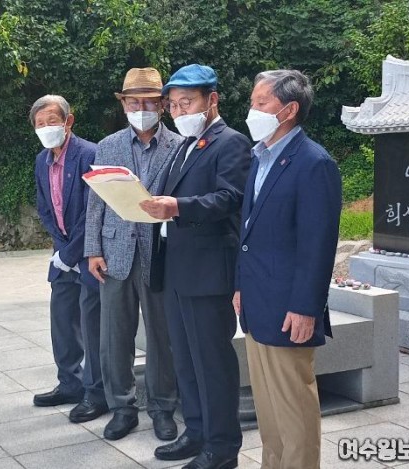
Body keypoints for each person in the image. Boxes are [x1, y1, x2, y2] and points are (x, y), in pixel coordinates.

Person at [140, 64, 250, 469]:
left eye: (187, 102)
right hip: (175, 269)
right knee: (184, 359)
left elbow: (231, 198)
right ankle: (198, 432)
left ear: (212, 101)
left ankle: (222, 449)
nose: (178, 110)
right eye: (173, 105)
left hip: (206, 273)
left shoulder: (230, 143)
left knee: (212, 363)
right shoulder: (183, 146)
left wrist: (177, 207)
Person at [233, 70, 342, 469]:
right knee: (269, 410)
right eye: (253, 101)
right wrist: (239, 284)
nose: (252, 110)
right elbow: (248, 234)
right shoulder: (259, 157)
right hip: (257, 302)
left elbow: (318, 245)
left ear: (289, 110)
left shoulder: (314, 164)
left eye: (261, 103)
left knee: (294, 409)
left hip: (289, 308)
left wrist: (306, 307)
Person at [84, 67, 181, 441]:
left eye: (149, 102)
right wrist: (92, 249)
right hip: (114, 252)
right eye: (133, 101)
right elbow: (96, 203)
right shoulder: (107, 146)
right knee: (114, 337)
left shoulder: (179, 145)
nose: (141, 108)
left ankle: (162, 408)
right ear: (123, 104)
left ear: (162, 105)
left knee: (161, 336)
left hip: (160, 254)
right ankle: (122, 407)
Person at [31, 94, 107, 424]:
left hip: (90, 252)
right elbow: (45, 207)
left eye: (52, 121)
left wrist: (72, 251)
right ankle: (69, 383)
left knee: (93, 325)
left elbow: (93, 212)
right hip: (62, 253)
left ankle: (96, 392)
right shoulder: (41, 161)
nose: (47, 128)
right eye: (40, 124)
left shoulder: (89, 154)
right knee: (62, 321)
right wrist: (61, 250)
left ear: (68, 121)